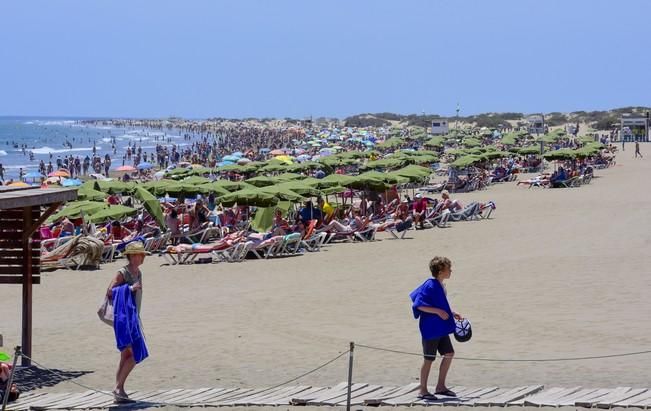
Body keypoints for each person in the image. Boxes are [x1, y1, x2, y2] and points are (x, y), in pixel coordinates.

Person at [410, 256, 463, 401]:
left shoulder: (440, 285)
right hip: (431, 328)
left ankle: (440, 386)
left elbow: (440, 305)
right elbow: (418, 305)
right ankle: (423, 390)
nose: (451, 271)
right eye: (448, 268)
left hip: (441, 327)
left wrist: (451, 313)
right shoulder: (430, 285)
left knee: (449, 353)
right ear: (440, 271)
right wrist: (438, 312)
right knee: (429, 359)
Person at [105, 241, 150, 403]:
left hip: (133, 317)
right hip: (123, 318)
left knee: (126, 355)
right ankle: (118, 388)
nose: (140, 257)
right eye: (137, 255)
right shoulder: (123, 272)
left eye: (141, 255)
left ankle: (119, 390)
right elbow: (110, 291)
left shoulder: (138, 272)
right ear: (130, 256)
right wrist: (130, 289)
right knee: (134, 354)